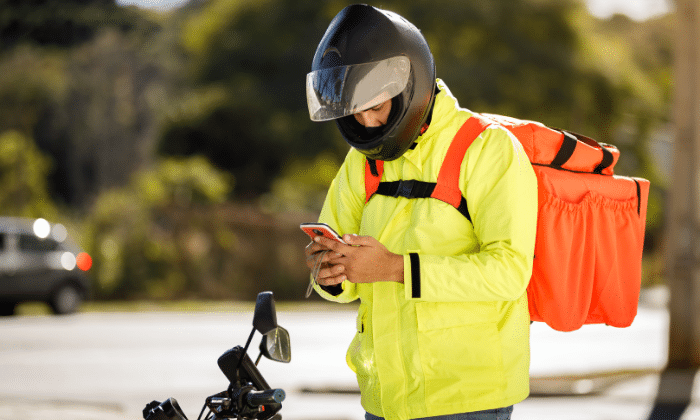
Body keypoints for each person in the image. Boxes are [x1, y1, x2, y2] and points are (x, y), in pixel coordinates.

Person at [304, 4, 538, 420]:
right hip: (386, 400)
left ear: (410, 84)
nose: (367, 123)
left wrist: (395, 268)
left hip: (469, 400)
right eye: (355, 111)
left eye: (376, 107)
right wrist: (331, 273)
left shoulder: (488, 149)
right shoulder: (361, 162)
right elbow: (342, 271)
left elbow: (509, 271)